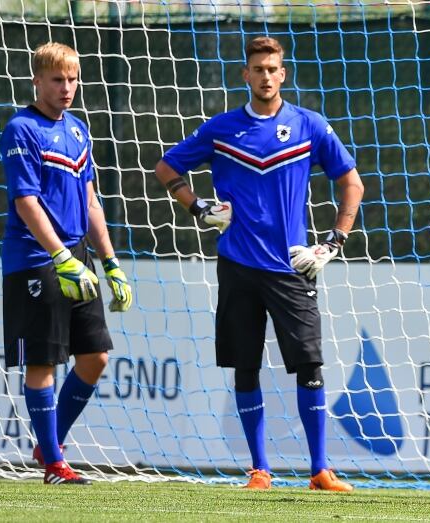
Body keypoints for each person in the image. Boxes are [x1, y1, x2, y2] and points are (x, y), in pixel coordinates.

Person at [155, 36, 364, 491]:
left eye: (273, 69)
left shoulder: (309, 125)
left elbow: (352, 182)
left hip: (292, 267)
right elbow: (167, 167)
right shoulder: (221, 129)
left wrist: (334, 241)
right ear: (245, 75)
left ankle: (319, 470)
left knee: (309, 366)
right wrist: (197, 207)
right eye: (258, 69)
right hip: (238, 266)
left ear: (282, 75)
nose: (266, 76)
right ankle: (259, 470)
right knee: (245, 366)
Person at [0, 42, 133, 485]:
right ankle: (54, 464)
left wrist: (110, 263)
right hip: (37, 258)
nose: (67, 87)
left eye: (73, 79)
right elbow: (25, 202)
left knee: (95, 358)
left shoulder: (78, 130)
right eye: (57, 79)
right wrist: (59, 256)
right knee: (43, 363)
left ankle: (49, 441)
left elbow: (91, 201)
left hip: (78, 257)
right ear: (37, 81)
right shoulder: (21, 129)